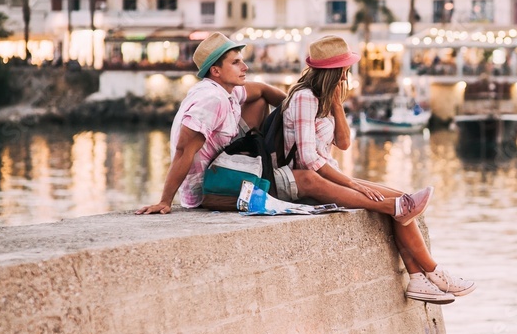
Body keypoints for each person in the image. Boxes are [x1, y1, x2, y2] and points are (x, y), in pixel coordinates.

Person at [135, 34, 454, 273]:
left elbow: (259, 90)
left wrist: (292, 108)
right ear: (215, 71)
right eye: (235, 62)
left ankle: (423, 271)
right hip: (214, 188)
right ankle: (418, 249)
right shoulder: (211, 100)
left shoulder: (228, 93)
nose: (245, 66)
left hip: (234, 168)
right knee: (311, 179)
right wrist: (166, 200)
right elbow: (182, 151)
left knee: (260, 103)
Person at [280, 35, 476, 304]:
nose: (346, 76)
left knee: (402, 199)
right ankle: (434, 272)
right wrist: (352, 183)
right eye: (344, 70)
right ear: (334, 71)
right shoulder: (304, 98)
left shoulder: (324, 100)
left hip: (327, 174)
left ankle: (418, 279)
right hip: (307, 180)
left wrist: (337, 105)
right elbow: (306, 158)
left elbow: (344, 143)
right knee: (399, 205)